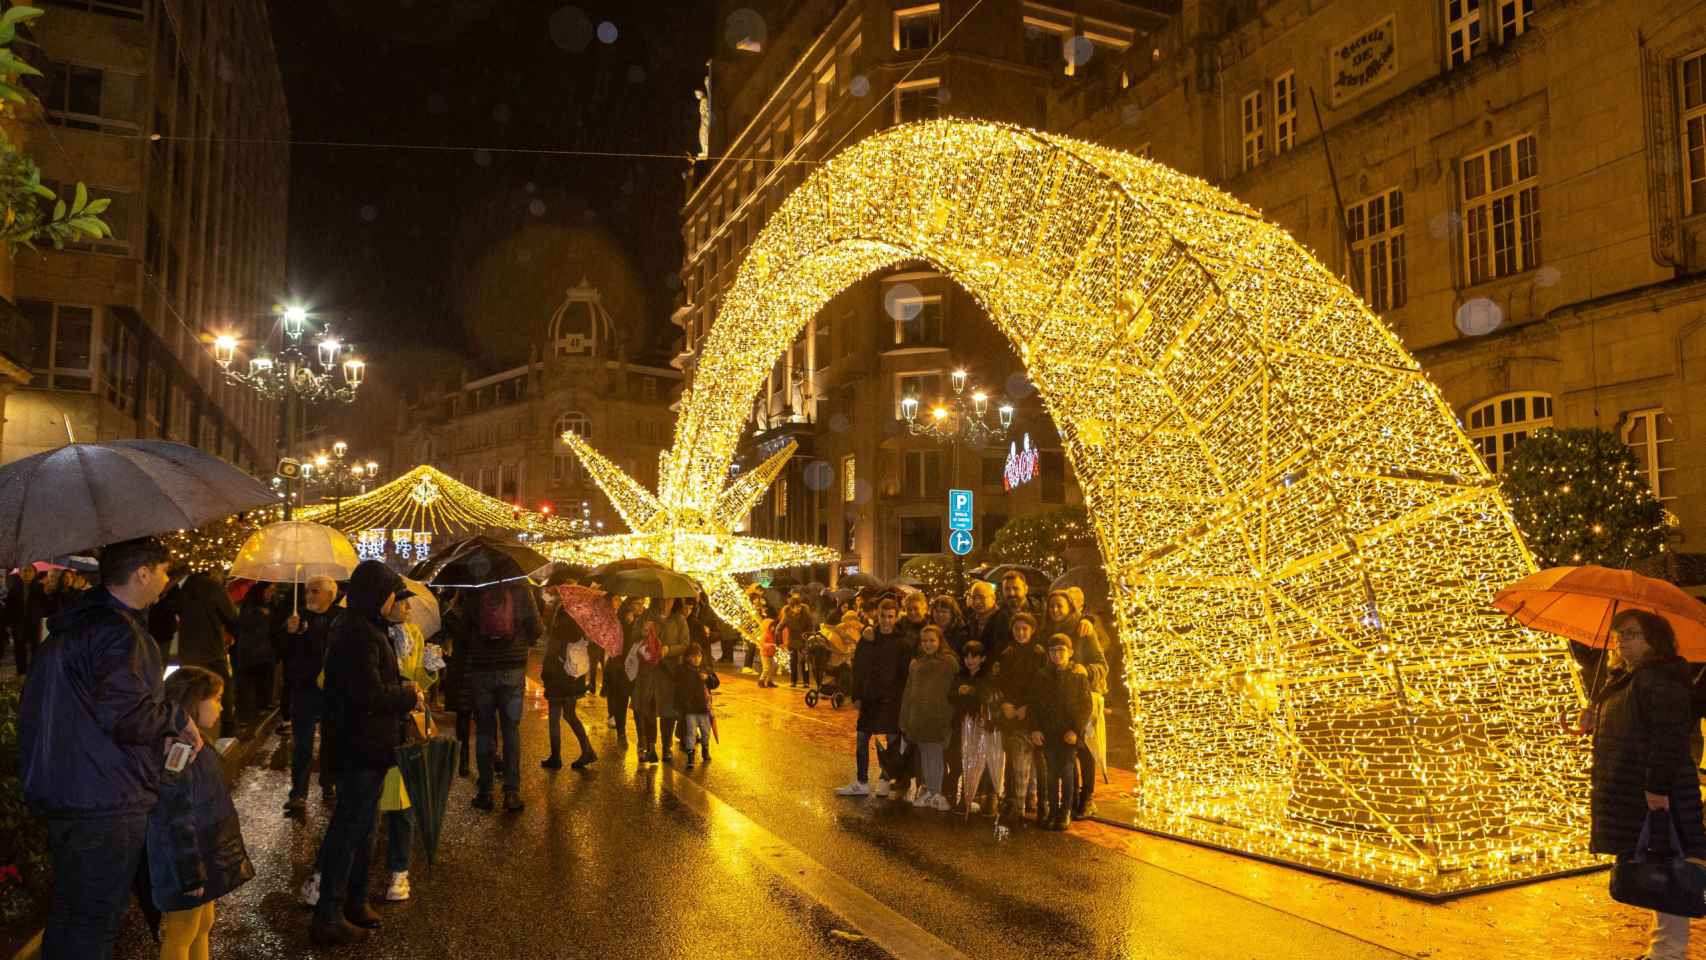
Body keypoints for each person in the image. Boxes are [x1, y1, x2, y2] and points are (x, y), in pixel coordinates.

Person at [18, 537, 201, 960]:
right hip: (105, 796)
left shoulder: (76, 623)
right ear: (142, 573)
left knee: (71, 917)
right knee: (93, 923)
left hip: (69, 789)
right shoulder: (119, 633)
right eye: (163, 571)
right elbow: (128, 717)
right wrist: (177, 718)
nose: (166, 580)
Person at [1579, 610, 1706, 960]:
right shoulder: (1626, 679)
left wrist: (1657, 787)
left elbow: (1669, 736)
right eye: (1620, 634)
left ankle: (1669, 954)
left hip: (1661, 794)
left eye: (1632, 633)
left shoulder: (1659, 679)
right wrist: (1594, 719)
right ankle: (1662, 951)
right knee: (1656, 868)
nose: (1622, 640)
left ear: (1654, 639)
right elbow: (1631, 726)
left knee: (1670, 870)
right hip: (1636, 792)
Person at [309, 561, 422, 946]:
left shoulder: (366, 628)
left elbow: (374, 681)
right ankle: (329, 914)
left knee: (363, 828)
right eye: (391, 589)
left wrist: (400, 683)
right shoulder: (358, 632)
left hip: (369, 746)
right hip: (360, 746)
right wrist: (408, 696)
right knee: (349, 829)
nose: (395, 598)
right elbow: (368, 694)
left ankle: (353, 902)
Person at [146, 665, 253, 960]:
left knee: (203, 922)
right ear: (195, 700)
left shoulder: (194, 743)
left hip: (200, 852)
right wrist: (190, 873)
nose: (221, 706)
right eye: (216, 699)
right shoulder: (180, 749)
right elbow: (174, 814)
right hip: (185, 860)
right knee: (182, 931)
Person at [466, 580, 542, 813]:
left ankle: (485, 792)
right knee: (511, 730)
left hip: (481, 670)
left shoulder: (474, 586)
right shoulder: (521, 588)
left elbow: (463, 631)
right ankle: (511, 792)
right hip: (512, 668)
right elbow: (537, 629)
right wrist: (521, 640)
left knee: (485, 731)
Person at [1044, 589, 1107, 818]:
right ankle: (1071, 800)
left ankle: (1087, 796)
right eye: (1051, 606)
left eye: (1060, 606)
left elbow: (1101, 663)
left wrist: (1086, 671)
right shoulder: (1047, 631)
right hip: (1058, 697)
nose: (1055, 610)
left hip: (1084, 695)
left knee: (1085, 747)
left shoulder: (1083, 629)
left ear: (1070, 606)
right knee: (1067, 747)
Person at [836, 598, 908, 798]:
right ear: (877, 614)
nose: (886, 620)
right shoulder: (869, 637)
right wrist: (856, 694)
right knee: (862, 738)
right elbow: (859, 668)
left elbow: (903, 673)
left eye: (890, 616)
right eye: (883, 616)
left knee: (892, 740)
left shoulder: (901, 641)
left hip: (892, 699)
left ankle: (885, 778)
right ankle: (862, 780)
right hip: (870, 698)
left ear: (896, 616)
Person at [279, 575, 339, 814]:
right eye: (307, 591)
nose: (310, 596)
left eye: (315, 591)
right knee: (302, 744)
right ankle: (298, 793)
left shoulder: (339, 619)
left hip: (331, 690)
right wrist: (289, 632)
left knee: (331, 740)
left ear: (330, 595)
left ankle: (328, 784)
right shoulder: (297, 616)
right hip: (303, 689)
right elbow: (282, 650)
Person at [1031, 634, 1093, 831]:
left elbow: (1085, 706)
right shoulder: (1042, 677)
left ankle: (1066, 810)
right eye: (1053, 651)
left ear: (1070, 652)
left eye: (1061, 650)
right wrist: (1035, 728)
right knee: (1050, 773)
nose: (1057, 654)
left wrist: (1076, 730)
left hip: (1068, 735)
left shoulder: (1078, 677)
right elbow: (1035, 705)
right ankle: (1052, 810)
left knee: (1066, 772)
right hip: (1048, 733)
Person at [899, 624, 959, 811]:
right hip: (918, 717)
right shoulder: (916, 663)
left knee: (935, 755)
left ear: (940, 641)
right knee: (925, 755)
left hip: (938, 717)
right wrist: (905, 717)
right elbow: (909, 691)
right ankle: (929, 790)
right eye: (924, 641)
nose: (928, 644)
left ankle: (936, 791)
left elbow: (954, 691)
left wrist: (949, 715)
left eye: (932, 640)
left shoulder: (948, 663)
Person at [174, 570, 240, 736]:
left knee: (192, 690)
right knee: (220, 687)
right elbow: (231, 616)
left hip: (188, 650)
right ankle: (227, 727)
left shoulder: (182, 588)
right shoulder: (213, 588)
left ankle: (190, 728)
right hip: (211, 649)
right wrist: (232, 632)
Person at [996, 611, 1048, 820]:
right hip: (1011, 712)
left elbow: (1041, 685)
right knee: (1015, 756)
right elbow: (1002, 681)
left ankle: (1033, 797)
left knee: (1035, 758)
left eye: (1024, 628)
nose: (1020, 633)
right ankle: (1015, 799)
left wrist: (1028, 706)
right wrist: (1006, 703)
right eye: (1017, 629)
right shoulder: (1007, 653)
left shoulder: (1039, 654)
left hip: (1032, 711)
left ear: (1032, 630)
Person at [541, 596, 597, 770]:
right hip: (574, 677)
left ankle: (556, 756)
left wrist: (545, 674)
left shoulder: (560, 626)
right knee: (570, 715)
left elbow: (552, 653)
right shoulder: (582, 626)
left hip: (557, 677)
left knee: (554, 717)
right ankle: (587, 749)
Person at [948, 639, 1003, 815]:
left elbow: (989, 696)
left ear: (982, 658)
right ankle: (964, 797)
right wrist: (958, 692)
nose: (970, 661)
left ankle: (981, 797)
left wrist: (972, 691)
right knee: (963, 761)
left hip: (980, 727)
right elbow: (950, 697)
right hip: (962, 725)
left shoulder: (988, 677)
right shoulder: (959, 676)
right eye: (967, 657)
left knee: (980, 761)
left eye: (974, 657)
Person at [633, 596, 690, 763]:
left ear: (675, 601)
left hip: (669, 672)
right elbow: (633, 634)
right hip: (649, 671)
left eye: (670, 600)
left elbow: (685, 644)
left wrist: (669, 649)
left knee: (668, 712)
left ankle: (667, 746)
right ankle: (650, 746)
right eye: (662, 600)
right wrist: (642, 631)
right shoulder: (646, 616)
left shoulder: (679, 620)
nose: (665, 604)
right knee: (648, 709)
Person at [233, 583, 278, 734]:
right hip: (250, 651)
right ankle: (245, 715)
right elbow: (243, 624)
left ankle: (260, 707)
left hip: (265, 651)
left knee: (262, 681)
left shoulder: (270, 605)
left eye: (273, 591)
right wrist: (259, 613)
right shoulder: (249, 606)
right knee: (247, 683)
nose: (271, 593)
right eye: (269, 590)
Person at [982, 571, 1045, 663]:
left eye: (1016, 588)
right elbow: (987, 647)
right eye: (1007, 589)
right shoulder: (995, 618)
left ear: (1025, 589)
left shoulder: (1041, 613)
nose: (1011, 593)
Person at [674, 644, 720, 768]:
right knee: (690, 734)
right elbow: (678, 689)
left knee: (705, 732)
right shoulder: (682, 670)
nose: (696, 659)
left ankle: (706, 750)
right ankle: (690, 757)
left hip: (704, 708)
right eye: (693, 656)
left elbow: (715, 683)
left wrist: (708, 678)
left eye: (699, 656)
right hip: (689, 709)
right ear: (687, 657)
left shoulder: (704, 669)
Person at [607, 597, 645, 745]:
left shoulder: (642, 620)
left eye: (642, 603)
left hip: (636, 666)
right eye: (637, 603)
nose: (640, 606)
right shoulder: (619, 620)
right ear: (629, 605)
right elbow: (614, 642)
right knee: (621, 701)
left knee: (637, 703)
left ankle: (641, 736)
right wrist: (625, 625)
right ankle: (621, 731)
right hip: (620, 667)